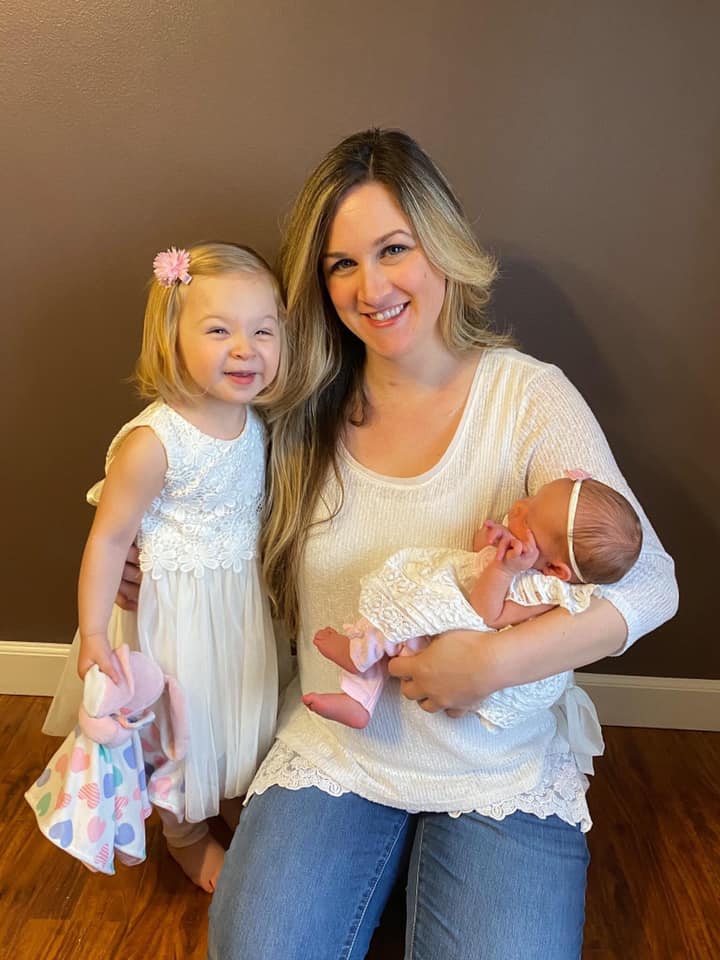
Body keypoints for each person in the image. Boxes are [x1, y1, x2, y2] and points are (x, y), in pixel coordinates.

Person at [42, 242, 285, 892]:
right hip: (173, 621)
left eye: (264, 331)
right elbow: (108, 540)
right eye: (219, 331)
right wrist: (95, 634)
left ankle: (226, 790)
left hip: (235, 609)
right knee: (182, 727)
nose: (246, 349)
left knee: (236, 710)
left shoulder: (255, 423)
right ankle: (184, 835)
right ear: (172, 337)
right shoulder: (155, 441)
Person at [303, 474, 643, 731]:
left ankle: (359, 653)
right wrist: (490, 542)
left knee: (404, 617)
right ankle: (357, 702)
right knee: (402, 615)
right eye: (531, 499)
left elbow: (487, 613)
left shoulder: (542, 593)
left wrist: (503, 569)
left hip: (456, 640)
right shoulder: (527, 557)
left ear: (556, 570)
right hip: (452, 622)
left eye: (527, 518)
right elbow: (474, 562)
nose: (519, 507)